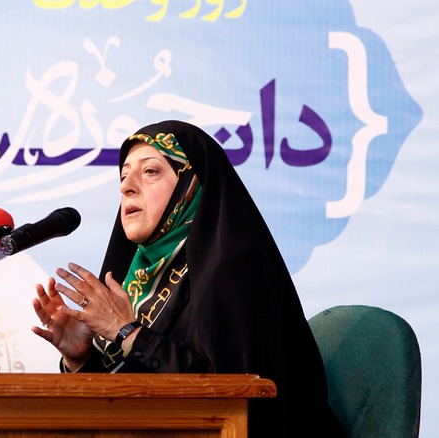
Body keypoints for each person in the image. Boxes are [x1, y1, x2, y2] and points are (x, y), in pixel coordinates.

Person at [31, 120, 345, 437]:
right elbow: (129, 398)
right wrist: (79, 358)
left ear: (190, 184)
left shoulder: (236, 268)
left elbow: (231, 394)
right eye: (124, 175)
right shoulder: (137, 279)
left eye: (150, 172)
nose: (127, 186)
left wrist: (126, 331)